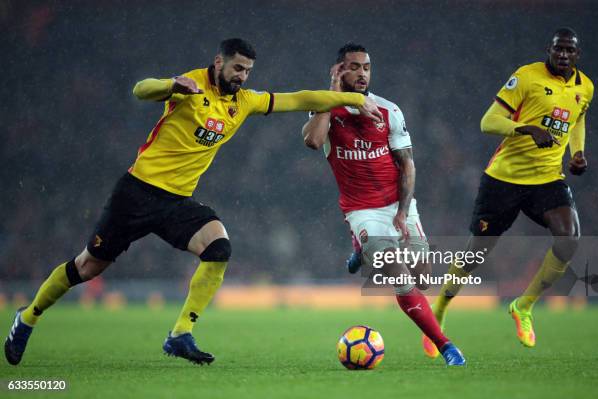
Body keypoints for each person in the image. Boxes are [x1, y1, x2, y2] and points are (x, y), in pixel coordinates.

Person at [4, 38, 384, 366]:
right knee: (87, 267)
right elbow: (140, 89)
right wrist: (170, 85)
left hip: (177, 202)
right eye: (237, 68)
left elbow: (300, 99)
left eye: (248, 71)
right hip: (137, 192)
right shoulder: (190, 86)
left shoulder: (244, 102)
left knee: (219, 247)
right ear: (219, 62)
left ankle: (180, 333)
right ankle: (29, 317)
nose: (242, 76)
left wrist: (352, 99)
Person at [423, 27, 594, 357]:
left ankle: (524, 306)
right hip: (504, 178)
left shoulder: (585, 87)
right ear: (549, 50)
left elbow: (577, 119)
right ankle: (440, 309)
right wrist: (526, 128)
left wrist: (577, 152)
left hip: (546, 178)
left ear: (577, 55)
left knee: (569, 238)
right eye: (557, 49)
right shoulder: (526, 78)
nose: (562, 55)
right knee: (477, 253)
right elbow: (488, 122)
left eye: (569, 51)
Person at [302, 43, 465, 366]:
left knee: (423, 279)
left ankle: (361, 251)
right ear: (338, 71)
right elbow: (313, 141)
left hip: (397, 205)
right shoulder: (325, 111)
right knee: (400, 277)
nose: (362, 73)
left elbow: (407, 164)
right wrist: (332, 93)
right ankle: (447, 347)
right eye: (353, 67)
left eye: (366, 67)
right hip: (361, 210)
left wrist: (403, 213)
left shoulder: (389, 110)